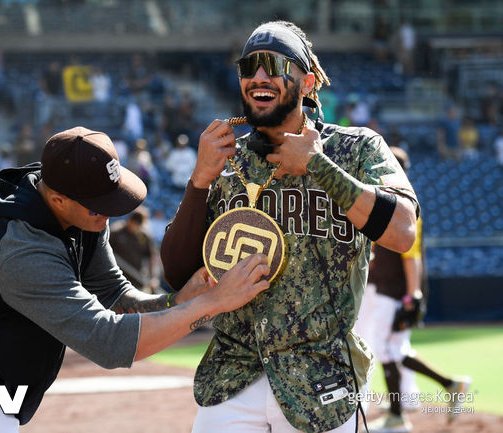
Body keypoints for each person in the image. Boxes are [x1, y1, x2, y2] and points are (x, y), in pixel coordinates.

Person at [0, 126, 271, 432]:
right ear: (57, 200)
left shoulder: (73, 207)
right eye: (100, 206)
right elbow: (108, 341)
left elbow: (114, 295)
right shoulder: (23, 250)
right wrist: (215, 303)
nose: (110, 213)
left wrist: (179, 301)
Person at [161, 20, 420, 433]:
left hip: (321, 381)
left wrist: (317, 165)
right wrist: (199, 180)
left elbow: (404, 230)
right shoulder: (224, 156)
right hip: (232, 378)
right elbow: (176, 274)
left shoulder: (355, 148)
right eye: (249, 67)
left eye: (273, 65)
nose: (259, 76)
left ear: (307, 82)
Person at [363, 147, 471, 433]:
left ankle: (399, 416)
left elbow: (412, 258)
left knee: (387, 350)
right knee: (394, 349)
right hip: (389, 288)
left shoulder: (403, 206)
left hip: (395, 292)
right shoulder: (390, 202)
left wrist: (413, 295)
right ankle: (446, 386)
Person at [110, 206, 160, 293]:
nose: (133, 225)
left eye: (137, 224)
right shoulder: (117, 231)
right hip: (116, 278)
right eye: (132, 221)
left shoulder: (145, 236)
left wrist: (153, 278)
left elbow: (152, 258)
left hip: (137, 280)